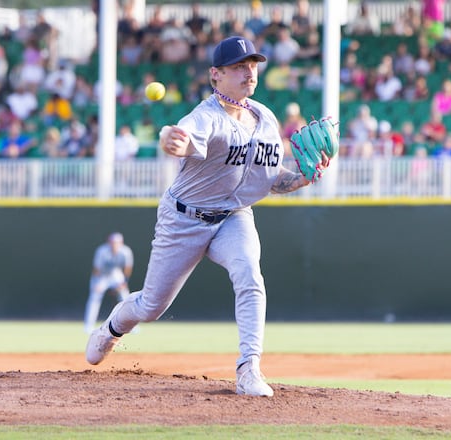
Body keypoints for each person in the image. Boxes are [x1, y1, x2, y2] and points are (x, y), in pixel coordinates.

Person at [85, 36, 330, 397]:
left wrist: (302, 178)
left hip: (234, 216)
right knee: (151, 305)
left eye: (252, 65)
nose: (248, 72)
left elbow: (272, 179)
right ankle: (110, 329)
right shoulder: (206, 117)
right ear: (216, 75)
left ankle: (249, 368)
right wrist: (171, 139)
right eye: (237, 67)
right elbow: (180, 136)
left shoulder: (265, 119)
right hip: (184, 220)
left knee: (249, 274)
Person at [84, 232, 134, 335]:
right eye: (112, 242)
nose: (114, 244)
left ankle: (132, 326)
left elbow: (128, 268)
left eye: (117, 242)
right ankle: (88, 326)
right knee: (94, 298)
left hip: (116, 274)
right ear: (109, 242)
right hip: (102, 276)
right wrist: (97, 283)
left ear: (121, 243)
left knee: (126, 298)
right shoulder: (102, 251)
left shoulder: (125, 251)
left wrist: (124, 282)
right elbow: (97, 269)